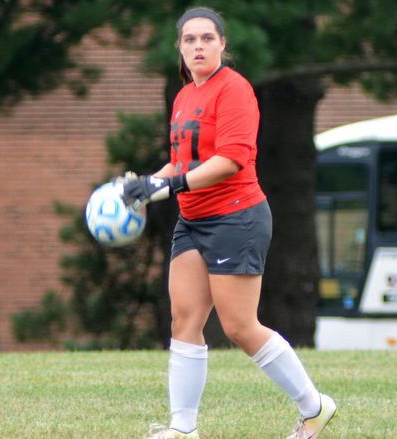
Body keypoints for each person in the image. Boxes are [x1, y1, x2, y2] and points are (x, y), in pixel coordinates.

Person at [121, 6, 337, 439]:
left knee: (239, 326)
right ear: (179, 49)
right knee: (185, 319)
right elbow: (184, 161)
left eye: (207, 38)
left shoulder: (234, 90)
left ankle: (315, 407)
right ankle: (183, 430)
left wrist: (169, 186)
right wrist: (147, 183)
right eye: (189, 40)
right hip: (193, 219)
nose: (198, 46)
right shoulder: (185, 96)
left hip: (236, 217)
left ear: (223, 44)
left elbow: (230, 160)